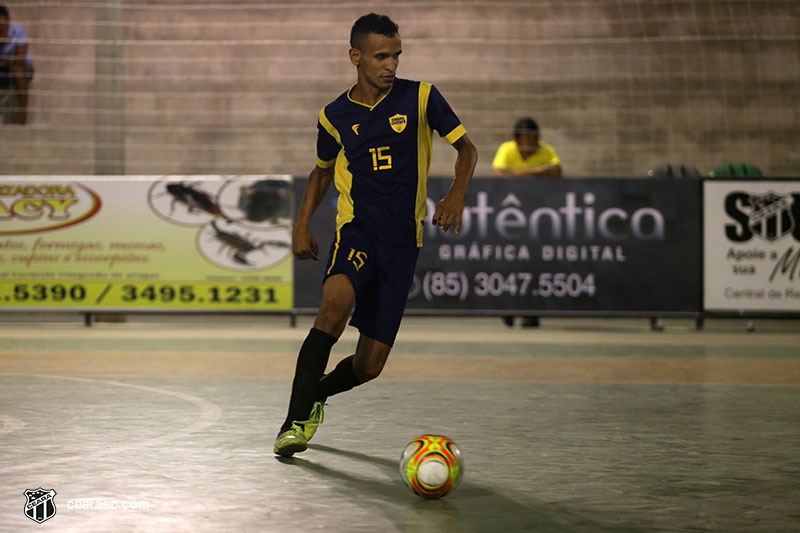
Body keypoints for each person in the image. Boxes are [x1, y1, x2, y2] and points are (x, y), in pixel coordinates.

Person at [274, 13, 478, 457]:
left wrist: (456, 192)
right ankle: (293, 424)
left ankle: (315, 395)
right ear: (356, 57)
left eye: (396, 55)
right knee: (333, 309)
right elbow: (321, 172)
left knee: (369, 366)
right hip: (358, 231)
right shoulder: (334, 116)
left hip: (403, 243)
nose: (391, 65)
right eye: (381, 56)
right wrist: (300, 224)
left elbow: (467, 148)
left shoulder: (421, 97)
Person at [492, 117, 562, 327]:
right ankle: (510, 307)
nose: (534, 141)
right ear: (517, 139)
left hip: (539, 220)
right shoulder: (506, 149)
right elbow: (497, 175)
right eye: (529, 137)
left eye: (536, 137)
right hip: (510, 221)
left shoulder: (546, 150)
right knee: (511, 264)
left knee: (536, 264)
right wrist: (539, 172)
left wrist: (517, 175)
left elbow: (557, 172)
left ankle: (532, 312)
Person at [0, 4, 33, 124]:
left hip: (18, 67)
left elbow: (20, 58)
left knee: (18, 68)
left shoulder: (18, 30)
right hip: (3, 69)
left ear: (8, 21)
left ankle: (22, 113)